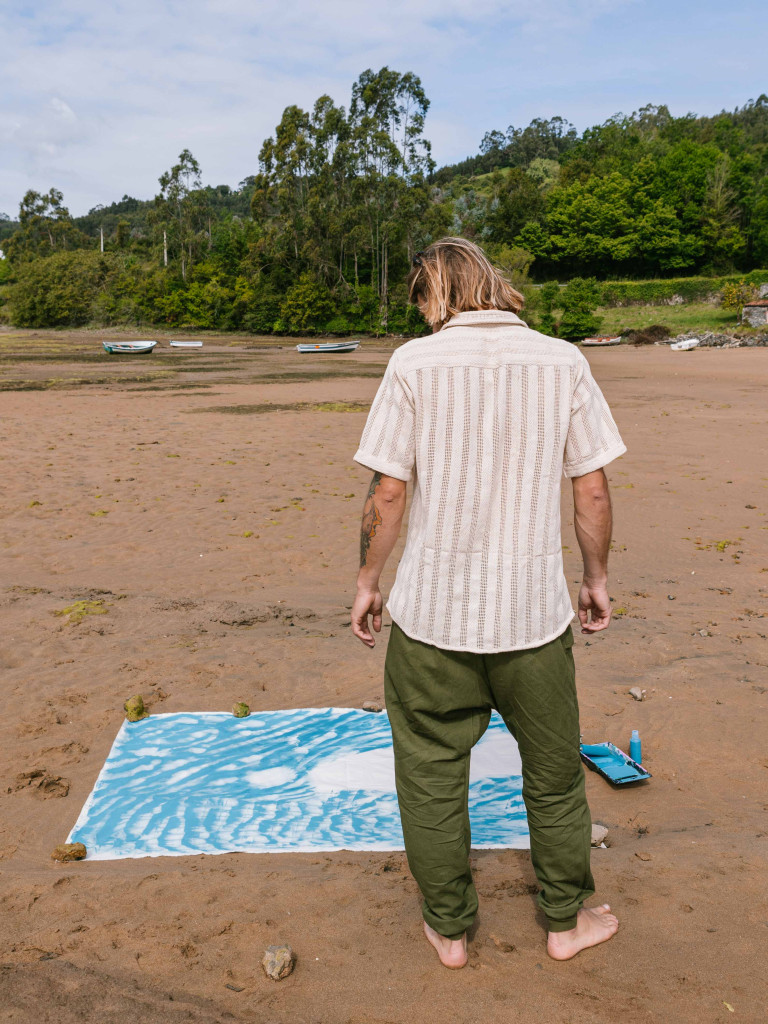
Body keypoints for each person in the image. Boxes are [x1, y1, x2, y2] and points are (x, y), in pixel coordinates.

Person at [350, 237, 627, 969]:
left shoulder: (413, 362)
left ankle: (448, 929)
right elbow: (591, 487)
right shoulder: (563, 360)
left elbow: (388, 492)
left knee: (431, 773)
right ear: (490, 283)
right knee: (554, 774)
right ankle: (565, 921)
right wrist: (595, 579)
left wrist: (367, 583)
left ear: (434, 293)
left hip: (432, 616)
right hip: (532, 614)